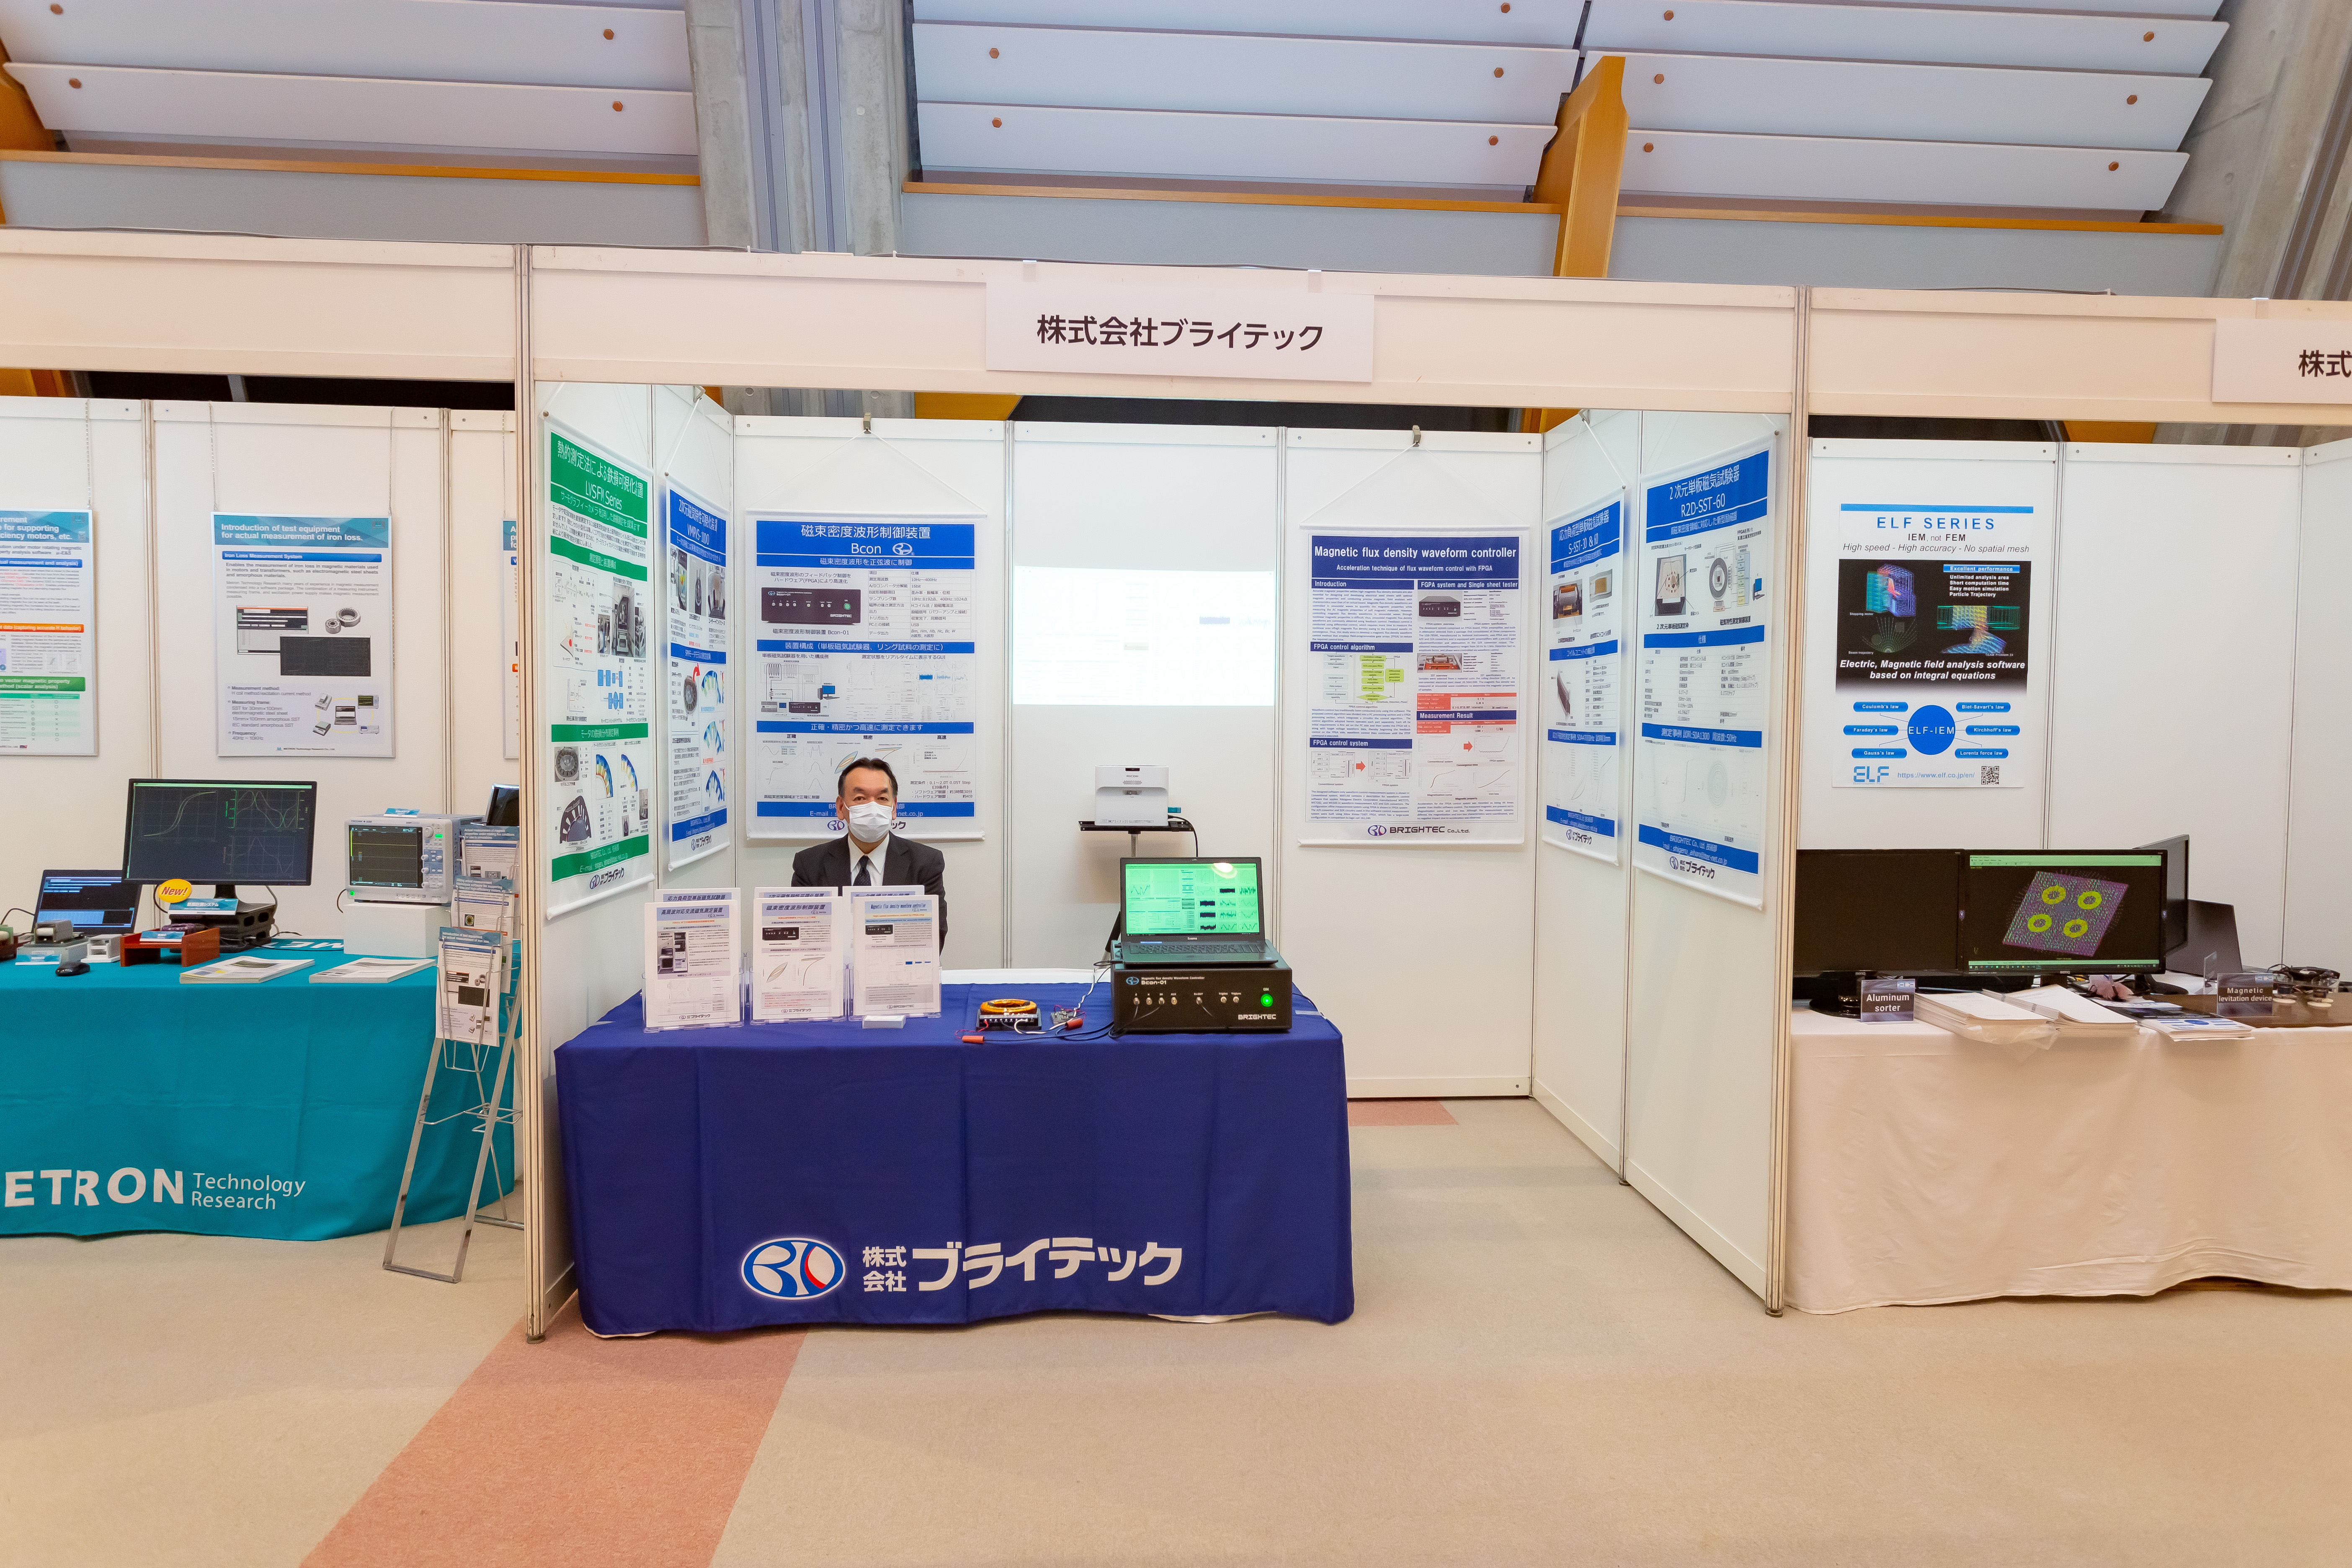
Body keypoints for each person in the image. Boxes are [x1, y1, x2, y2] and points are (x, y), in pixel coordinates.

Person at [790, 756, 948, 945]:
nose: (873, 807)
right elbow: (803, 939)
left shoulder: (926, 863)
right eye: (860, 798)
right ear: (841, 808)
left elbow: (932, 938)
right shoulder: (809, 864)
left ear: (894, 808)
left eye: (882, 798)